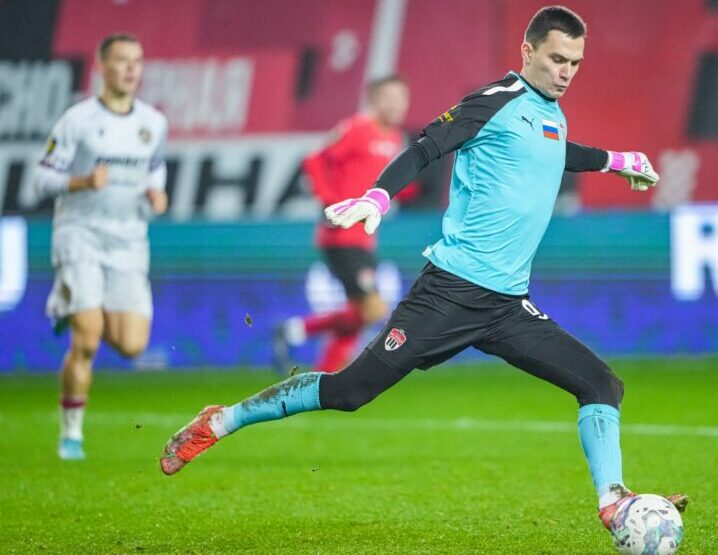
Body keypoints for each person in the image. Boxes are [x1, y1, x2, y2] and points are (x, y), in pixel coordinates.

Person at [160, 5, 685, 544]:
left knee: (601, 384)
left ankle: (613, 503)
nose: (566, 72)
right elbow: (426, 148)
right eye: (557, 59)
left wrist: (615, 161)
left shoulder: (550, 112)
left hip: (507, 306)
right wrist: (377, 196)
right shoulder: (493, 101)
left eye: (575, 62)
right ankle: (221, 420)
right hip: (449, 293)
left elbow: (551, 152)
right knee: (350, 391)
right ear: (528, 52)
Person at [33, 33, 168, 460]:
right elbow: (41, 178)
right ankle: (71, 435)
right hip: (81, 233)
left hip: (129, 239)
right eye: (122, 60)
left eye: (137, 61)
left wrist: (157, 196)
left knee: (133, 345)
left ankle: (70, 305)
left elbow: (156, 171)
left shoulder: (153, 123)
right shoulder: (78, 120)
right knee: (88, 339)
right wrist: (83, 181)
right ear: (102, 66)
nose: (131, 69)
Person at [274, 75, 411, 374]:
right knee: (373, 309)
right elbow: (314, 161)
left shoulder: (395, 139)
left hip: (364, 237)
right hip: (342, 235)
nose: (396, 105)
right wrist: (329, 200)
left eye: (402, 99)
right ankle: (305, 340)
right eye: (389, 98)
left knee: (360, 312)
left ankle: (311, 355)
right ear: (374, 100)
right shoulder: (357, 128)